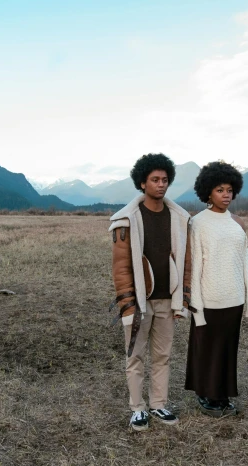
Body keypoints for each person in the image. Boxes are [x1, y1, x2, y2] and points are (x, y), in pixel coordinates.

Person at [109, 153, 192, 431]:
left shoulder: (179, 218)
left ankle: (158, 404)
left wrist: (183, 299)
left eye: (165, 180)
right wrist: (128, 304)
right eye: (154, 180)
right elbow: (121, 268)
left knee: (163, 355)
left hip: (168, 301)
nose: (161, 184)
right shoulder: (126, 220)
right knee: (135, 356)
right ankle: (137, 409)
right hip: (139, 303)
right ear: (142, 183)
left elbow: (185, 261)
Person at [185, 161, 248, 417]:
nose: (226, 195)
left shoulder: (237, 223)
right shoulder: (198, 223)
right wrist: (196, 307)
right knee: (207, 349)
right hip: (209, 299)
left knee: (227, 349)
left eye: (229, 190)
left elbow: (245, 261)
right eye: (219, 189)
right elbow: (193, 266)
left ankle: (223, 394)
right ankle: (206, 395)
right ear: (207, 192)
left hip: (234, 298)